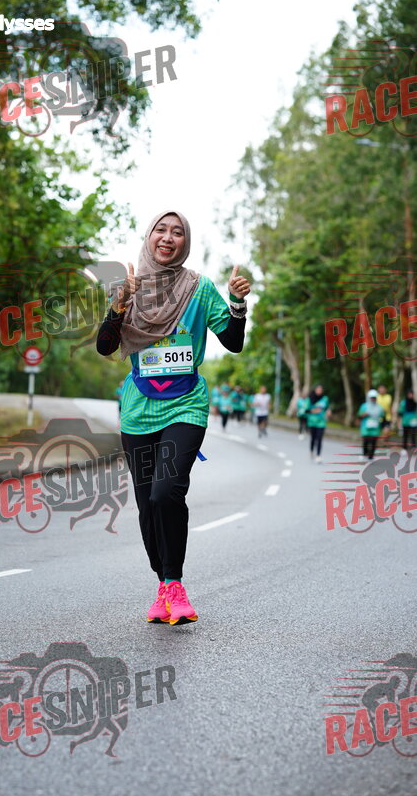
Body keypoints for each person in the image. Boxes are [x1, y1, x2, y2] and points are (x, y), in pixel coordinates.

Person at [96, 210, 250, 625]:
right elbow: (105, 346)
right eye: (161, 230)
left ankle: (175, 583)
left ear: (186, 242)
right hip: (138, 410)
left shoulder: (199, 288)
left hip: (186, 405)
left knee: (166, 493)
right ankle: (163, 585)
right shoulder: (131, 288)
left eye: (177, 231)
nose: (168, 237)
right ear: (149, 238)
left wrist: (237, 305)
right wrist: (118, 306)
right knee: (147, 504)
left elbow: (233, 342)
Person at [305, 385, 330, 463]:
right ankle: (311, 451)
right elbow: (306, 410)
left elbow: (327, 408)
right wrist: (314, 411)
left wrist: (328, 411)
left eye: (320, 390)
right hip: (312, 422)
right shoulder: (310, 399)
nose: (319, 391)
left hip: (321, 422)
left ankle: (318, 455)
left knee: (319, 438)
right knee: (313, 438)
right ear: (315, 390)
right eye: (318, 390)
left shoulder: (325, 399)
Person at [358, 389, 384, 461]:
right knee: (365, 441)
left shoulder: (379, 407)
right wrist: (364, 415)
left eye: (374, 397)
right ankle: (365, 454)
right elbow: (359, 416)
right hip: (365, 427)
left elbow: (382, 416)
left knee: (373, 441)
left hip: (375, 428)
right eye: (372, 397)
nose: (373, 399)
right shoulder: (364, 406)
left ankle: (371, 456)